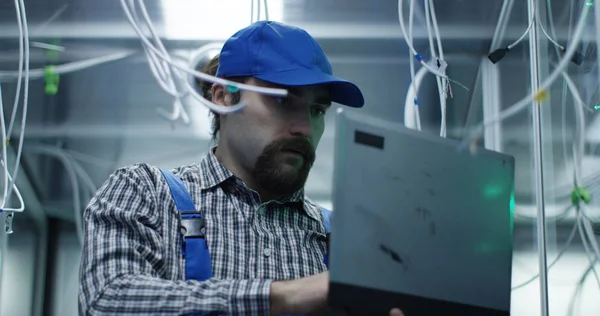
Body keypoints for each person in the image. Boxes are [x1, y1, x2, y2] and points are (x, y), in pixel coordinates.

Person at [78, 20, 405, 316]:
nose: (305, 128)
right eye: (283, 100)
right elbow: (107, 301)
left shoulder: (343, 238)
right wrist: (281, 296)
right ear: (222, 97)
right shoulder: (144, 192)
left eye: (317, 109)